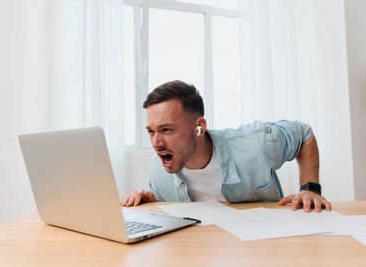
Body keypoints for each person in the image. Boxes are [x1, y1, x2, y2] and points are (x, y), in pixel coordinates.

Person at [120, 80, 332, 212]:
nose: (156, 143)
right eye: (151, 131)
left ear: (199, 127)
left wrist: (310, 189)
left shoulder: (254, 144)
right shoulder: (159, 167)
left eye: (166, 130)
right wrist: (152, 199)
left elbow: (303, 134)